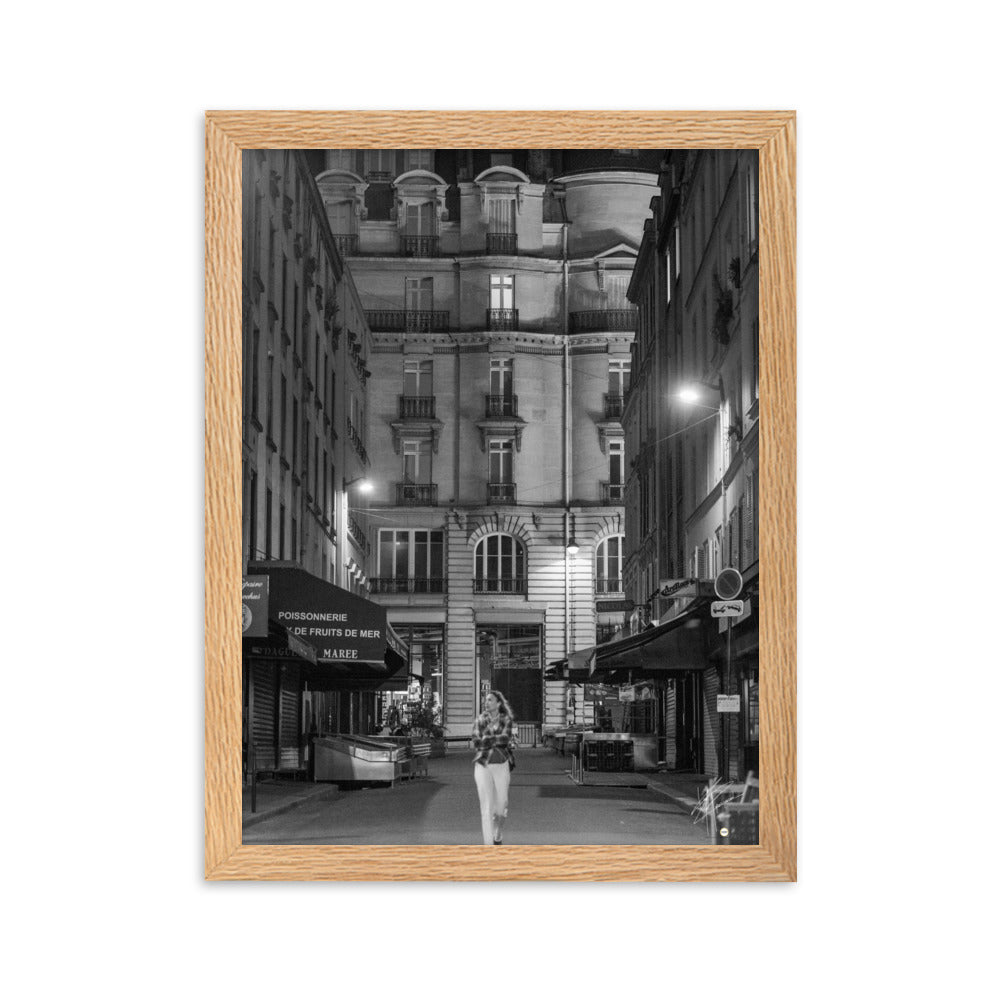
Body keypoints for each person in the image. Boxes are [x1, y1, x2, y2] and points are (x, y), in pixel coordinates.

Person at [471, 690, 517, 845]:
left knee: (501, 805)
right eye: (486, 699)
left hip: (501, 764)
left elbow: (505, 738)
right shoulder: (479, 720)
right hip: (482, 765)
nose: (486, 702)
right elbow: (476, 743)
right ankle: (488, 845)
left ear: (498, 703)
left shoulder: (506, 720)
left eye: (490, 700)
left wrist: (487, 739)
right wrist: (492, 740)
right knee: (486, 808)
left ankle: (498, 832)